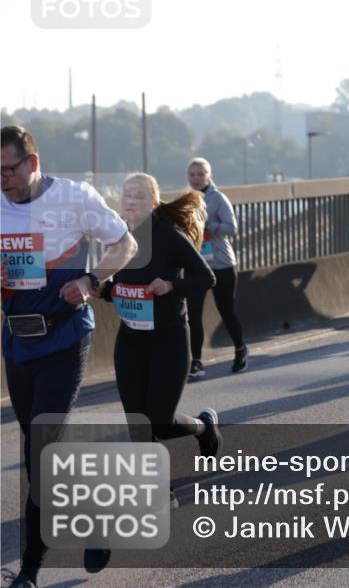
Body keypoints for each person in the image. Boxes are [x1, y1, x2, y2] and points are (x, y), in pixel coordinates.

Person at [2, 125, 138, 588]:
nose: (3, 179)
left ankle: (29, 572)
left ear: (33, 163)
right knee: (40, 454)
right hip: (18, 342)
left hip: (65, 338)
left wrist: (91, 281)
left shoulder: (74, 198)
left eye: (10, 169)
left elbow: (126, 244)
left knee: (41, 447)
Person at [101, 173, 222, 509]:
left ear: (153, 203)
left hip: (168, 340)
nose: (130, 200)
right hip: (130, 342)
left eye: (138, 195)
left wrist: (171, 286)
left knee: (161, 422)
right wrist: (103, 289)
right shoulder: (117, 239)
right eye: (126, 194)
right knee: (138, 424)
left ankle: (204, 427)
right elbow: (118, 288)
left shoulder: (169, 237)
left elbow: (205, 277)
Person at [185, 158, 248, 380]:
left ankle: (240, 348)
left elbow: (233, 228)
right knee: (193, 314)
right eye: (192, 174)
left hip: (221, 263)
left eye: (200, 174)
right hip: (196, 265)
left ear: (209, 176)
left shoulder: (218, 198)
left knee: (226, 310)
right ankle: (196, 361)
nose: (196, 178)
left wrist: (210, 226)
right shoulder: (185, 200)